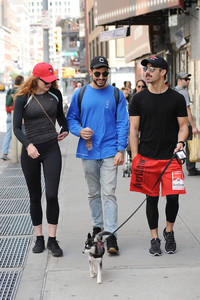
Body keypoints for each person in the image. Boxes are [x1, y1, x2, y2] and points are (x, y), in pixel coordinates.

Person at [67, 55, 129, 254]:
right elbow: (71, 119)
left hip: (110, 151)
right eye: (98, 73)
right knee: (93, 193)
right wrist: (79, 130)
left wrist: (121, 149)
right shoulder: (81, 94)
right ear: (91, 72)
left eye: (105, 73)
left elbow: (123, 123)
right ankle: (97, 227)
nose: (101, 76)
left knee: (109, 193)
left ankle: (111, 236)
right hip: (89, 151)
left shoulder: (116, 94)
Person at [129, 56, 188, 256]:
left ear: (163, 72)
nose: (147, 71)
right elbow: (133, 130)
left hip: (171, 159)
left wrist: (180, 143)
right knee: (151, 199)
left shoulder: (177, 98)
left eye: (151, 68)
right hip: (147, 158)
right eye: (145, 68)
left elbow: (183, 127)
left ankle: (168, 231)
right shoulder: (138, 98)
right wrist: (136, 158)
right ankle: (154, 237)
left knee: (173, 197)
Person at [13, 62, 69, 257]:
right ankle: (39, 237)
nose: (49, 84)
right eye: (46, 81)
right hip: (30, 151)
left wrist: (65, 129)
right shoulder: (23, 98)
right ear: (35, 78)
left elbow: (61, 117)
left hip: (51, 148)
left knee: (52, 194)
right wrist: (28, 145)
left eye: (52, 80)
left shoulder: (55, 95)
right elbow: (16, 128)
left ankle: (52, 240)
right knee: (35, 196)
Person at [175, 72, 200, 176]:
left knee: (178, 144)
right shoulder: (184, 92)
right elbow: (187, 110)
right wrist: (193, 126)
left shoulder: (173, 91)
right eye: (186, 79)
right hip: (185, 124)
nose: (188, 81)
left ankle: (175, 164)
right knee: (189, 145)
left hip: (176, 123)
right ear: (179, 80)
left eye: (188, 79)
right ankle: (191, 168)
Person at [1, 75, 24, 161]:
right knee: (24, 132)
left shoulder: (9, 90)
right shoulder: (20, 91)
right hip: (17, 115)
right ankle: (24, 154)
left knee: (9, 134)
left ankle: (4, 153)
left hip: (9, 114)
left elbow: (7, 102)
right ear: (21, 82)